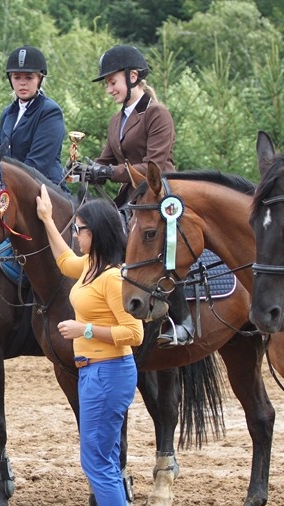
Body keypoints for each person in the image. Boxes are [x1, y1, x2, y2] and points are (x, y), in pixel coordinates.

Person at [35, 188, 143, 506]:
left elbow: (135, 333)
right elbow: (64, 261)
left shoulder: (112, 278)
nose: (76, 235)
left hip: (108, 372)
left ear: (94, 232)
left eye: (79, 229)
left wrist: (86, 330)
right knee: (103, 459)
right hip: (95, 373)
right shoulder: (89, 266)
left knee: (96, 461)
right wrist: (47, 218)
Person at [81, 44, 192, 345]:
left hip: (160, 194)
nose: (109, 89)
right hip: (132, 198)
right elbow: (106, 161)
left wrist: (110, 173)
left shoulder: (157, 114)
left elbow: (153, 165)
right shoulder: (117, 120)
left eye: (112, 82)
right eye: (107, 84)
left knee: (160, 243)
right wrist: (85, 167)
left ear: (132, 77)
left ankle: (182, 320)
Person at [0, 45, 67, 186]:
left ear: (39, 79)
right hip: (12, 188)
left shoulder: (50, 112)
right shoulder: (8, 113)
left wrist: (8, 183)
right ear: (11, 80)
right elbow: (0, 156)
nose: (22, 83)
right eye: (17, 77)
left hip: (44, 189)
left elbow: (37, 163)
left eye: (29, 77)